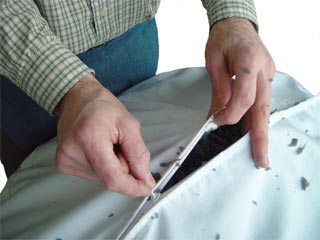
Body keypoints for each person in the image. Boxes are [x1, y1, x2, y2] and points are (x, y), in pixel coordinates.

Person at [0, 0, 275, 197]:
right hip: (24, 76)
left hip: (136, 44)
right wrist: (70, 89)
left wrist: (233, 16)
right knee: (50, 199)